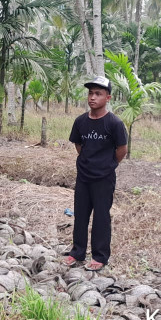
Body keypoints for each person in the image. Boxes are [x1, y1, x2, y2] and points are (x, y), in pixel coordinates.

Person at [64, 76, 128, 271]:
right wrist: (87, 162)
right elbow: (78, 144)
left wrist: (108, 165)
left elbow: (122, 149)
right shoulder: (81, 121)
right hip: (83, 176)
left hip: (104, 178)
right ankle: (77, 252)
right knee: (81, 215)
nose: (93, 97)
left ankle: (100, 256)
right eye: (91, 93)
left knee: (101, 217)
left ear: (108, 98)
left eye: (98, 94)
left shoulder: (114, 123)